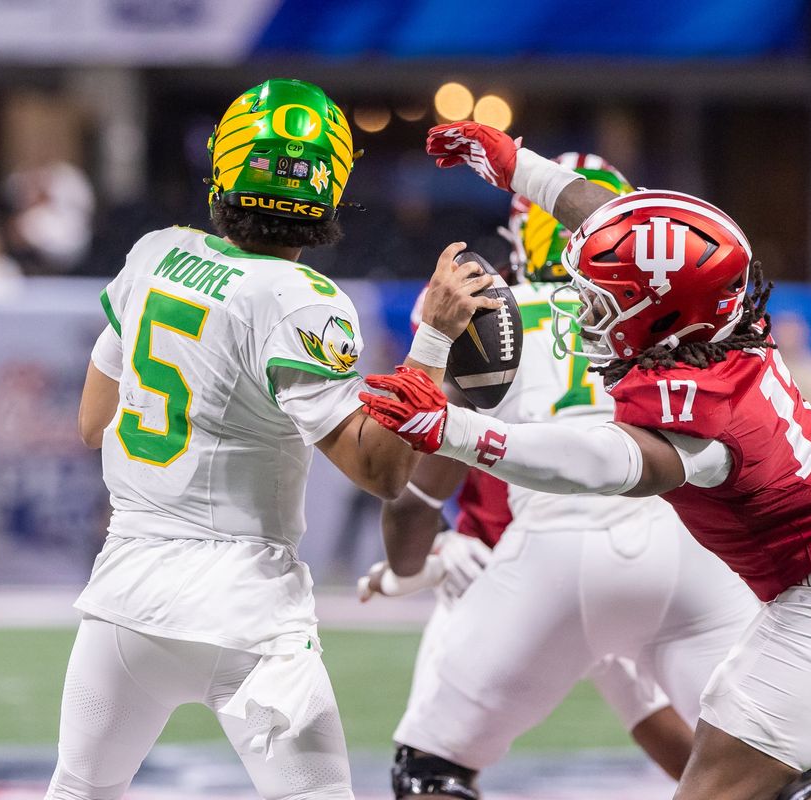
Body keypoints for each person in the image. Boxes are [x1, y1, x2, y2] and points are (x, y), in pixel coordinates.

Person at [360, 121, 811, 799]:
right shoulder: (722, 320)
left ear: (661, 315)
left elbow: (601, 463)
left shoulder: (699, 408)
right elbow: (615, 222)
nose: (586, 310)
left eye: (606, 299)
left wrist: (453, 429)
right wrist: (514, 163)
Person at [44, 79, 499, 800]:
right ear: (329, 189)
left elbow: (92, 421)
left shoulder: (156, 254)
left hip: (126, 594)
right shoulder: (302, 300)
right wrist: (433, 342)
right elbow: (382, 473)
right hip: (246, 609)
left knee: (80, 790)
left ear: (224, 166)